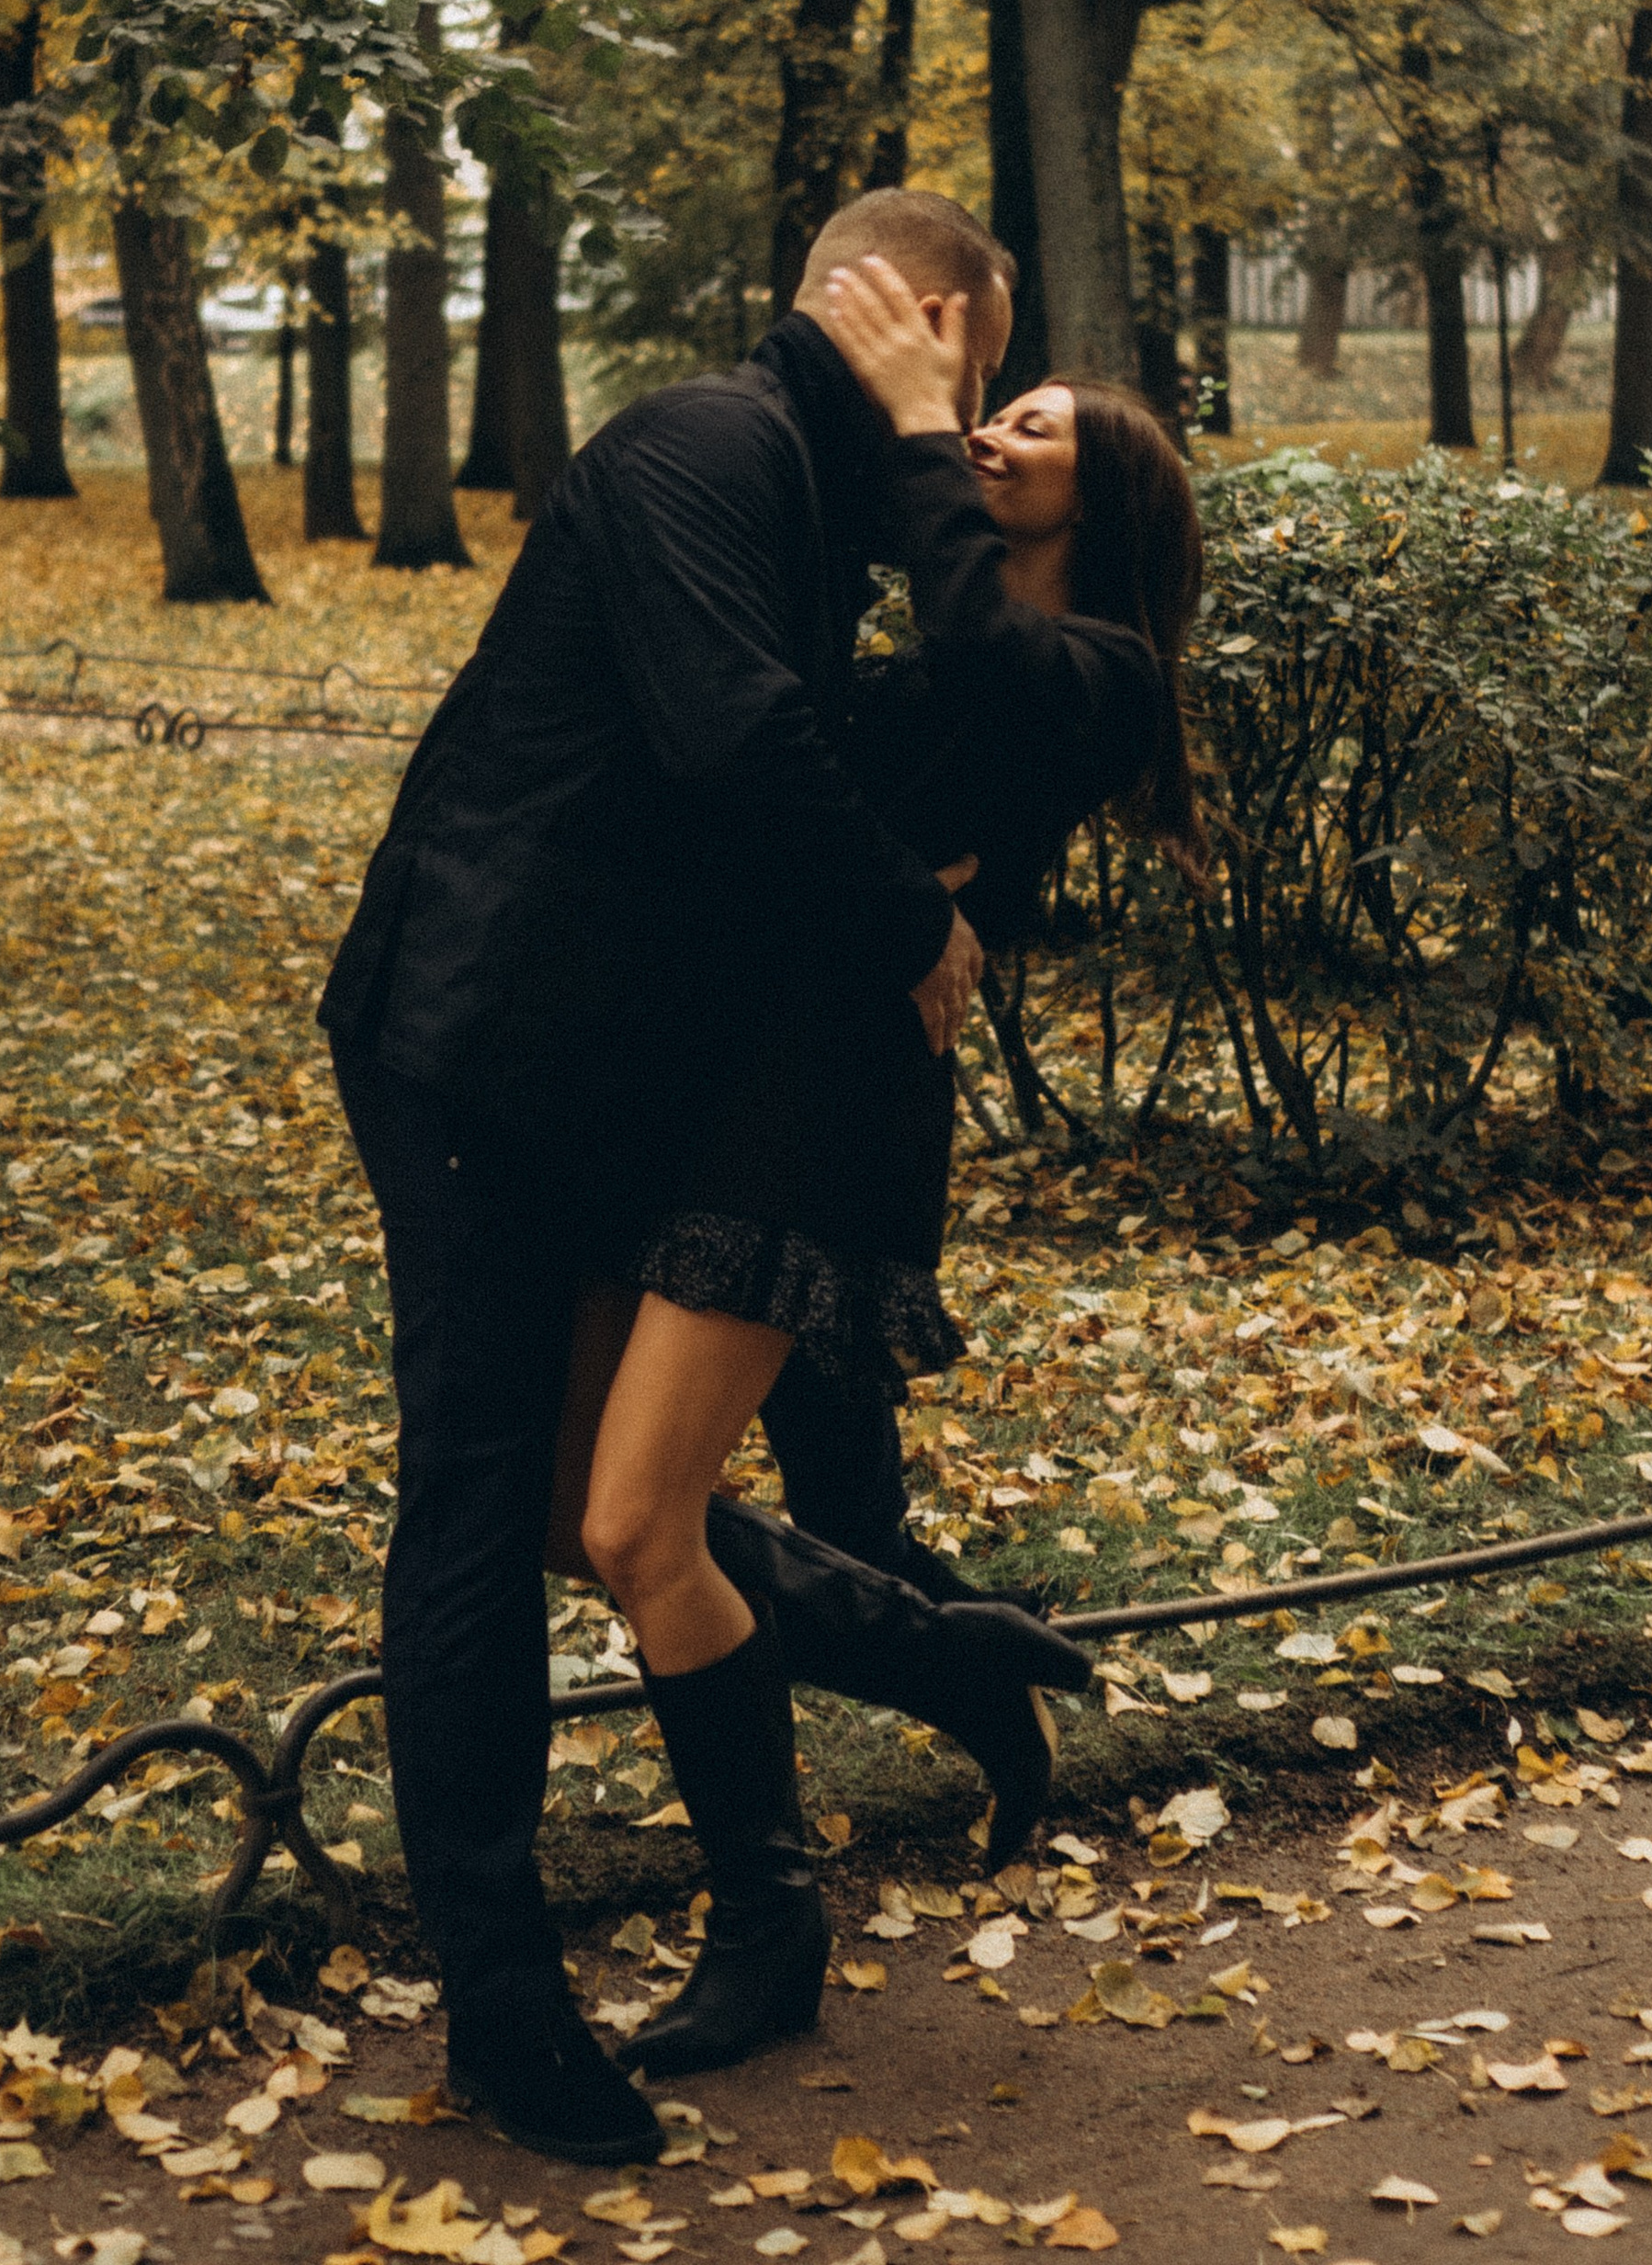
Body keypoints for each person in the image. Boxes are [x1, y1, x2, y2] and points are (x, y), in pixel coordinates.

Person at [322, 193, 1086, 2161]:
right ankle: (501, 2011)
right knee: (488, 1506)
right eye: (969, 364)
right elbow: (735, 736)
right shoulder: (704, 445)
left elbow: (945, 733)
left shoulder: (830, 501)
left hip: (624, 1079)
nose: (974, 413)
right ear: (914, 316)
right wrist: (906, 935)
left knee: (620, 1505)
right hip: (481, 1041)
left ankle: (929, 1664)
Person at [545, 263, 1206, 2084]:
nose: (989, 429)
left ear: (1112, 497)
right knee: (568, 1509)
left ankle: (765, 1925)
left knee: (626, 1529)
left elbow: (985, 670)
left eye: (1032, 424)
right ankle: (934, 1658)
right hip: (712, 1083)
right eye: (985, 412)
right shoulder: (959, 655)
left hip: (816, 1116)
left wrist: (918, 433)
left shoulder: (1097, 679)